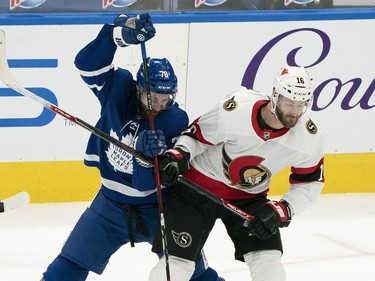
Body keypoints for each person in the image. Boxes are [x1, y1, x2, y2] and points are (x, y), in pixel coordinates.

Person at [41, 13, 224, 281]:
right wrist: (118, 36)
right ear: (138, 88)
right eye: (153, 97)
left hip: (159, 208)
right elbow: (86, 65)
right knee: (67, 265)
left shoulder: (174, 119)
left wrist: (144, 158)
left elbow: (144, 184)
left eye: (166, 98)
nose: (159, 105)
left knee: (196, 274)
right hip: (109, 204)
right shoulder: (118, 89)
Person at [149, 65, 325, 281]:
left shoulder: (308, 137)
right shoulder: (236, 109)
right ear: (275, 95)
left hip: (249, 199)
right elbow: (196, 137)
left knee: (270, 267)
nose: (294, 112)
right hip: (196, 191)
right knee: (175, 266)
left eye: (301, 105)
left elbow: (310, 183)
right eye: (289, 103)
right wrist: (177, 156)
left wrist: (282, 210)